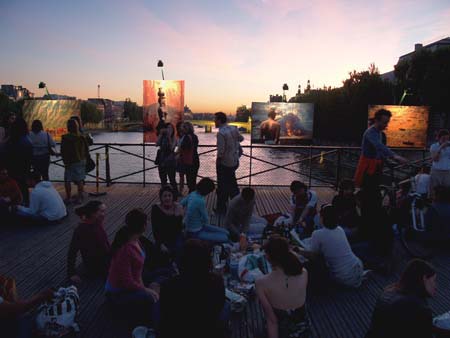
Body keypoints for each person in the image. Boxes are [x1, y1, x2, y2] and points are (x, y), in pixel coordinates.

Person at [158, 239, 228, 338]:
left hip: (178, 331)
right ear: (207, 261)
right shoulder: (216, 282)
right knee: (227, 306)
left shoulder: (169, 285)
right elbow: (219, 306)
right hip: (208, 330)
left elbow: (165, 314)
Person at [105, 209, 159, 325]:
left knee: (161, 277)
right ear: (144, 226)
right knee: (152, 298)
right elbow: (126, 282)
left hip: (135, 281)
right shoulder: (125, 250)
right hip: (118, 294)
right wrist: (145, 290)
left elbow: (137, 271)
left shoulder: (136, 239)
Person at [366, 259, 436, 338]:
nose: (435, 286)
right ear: (424, 279)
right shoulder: (421, 309)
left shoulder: (387, 292)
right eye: (433, 281)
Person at [256, 236, 310, 338]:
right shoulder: (304, 273)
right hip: (304, 331)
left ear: (268, 257)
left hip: (283, 332)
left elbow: (272, 321)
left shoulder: (261, 283)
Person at [299, 205, 364, 288]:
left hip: (343, 276)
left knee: (312, 263)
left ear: (322, 218)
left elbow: (313, 255)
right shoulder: (340, 229)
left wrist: (298, 250)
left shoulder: (318, 234)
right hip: (357, 267)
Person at [67, 201, 110, 283]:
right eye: (101, 211)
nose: (104, 214)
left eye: (104, 211)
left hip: (106, 258)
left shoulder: (97, 223)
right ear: (93, 213)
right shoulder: (81, 230)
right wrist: (71, 273)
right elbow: (72, 251)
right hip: (98, 266)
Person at [180, 177, 230, 244]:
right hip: (195, 232)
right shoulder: (200, 201)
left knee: (226, 233)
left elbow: (181, 204)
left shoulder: (193, 194)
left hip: (198, 226)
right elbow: (205, 218)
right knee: (225, 237)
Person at [214, 111, 244, 214]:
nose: (214, 121)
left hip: (224, 163)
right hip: (234, 161)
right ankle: (237, 205)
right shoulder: (233, 128)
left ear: (219, 120)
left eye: (215, 119)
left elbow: (221, 151)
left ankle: (222, 208)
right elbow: (241, 138)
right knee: (232, 184)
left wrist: (218, 161)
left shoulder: (221, 133)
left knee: (222, 186)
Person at [151, 185, 184, 261]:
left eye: (169, 195)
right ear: (161, 198)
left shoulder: (177, 207)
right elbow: (155, 229)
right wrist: (160, 243)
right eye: (165, 196)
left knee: (179, 250)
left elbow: (178, 228)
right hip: (162, 237)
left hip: (175, 236)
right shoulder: (156, 208)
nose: (167, 198)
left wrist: (178, 214)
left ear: (173, 197)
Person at [5, 117, 32, 205]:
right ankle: (25, 205)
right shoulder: (27, 140)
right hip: (24, 170)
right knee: (24, 189)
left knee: (14, 190)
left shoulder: (10, 141)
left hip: (12, 170)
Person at [61, 119, 88, 204]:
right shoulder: (81, 137)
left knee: (67, 180)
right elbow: (86, 148)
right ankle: (79, 197)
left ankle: (68, 197)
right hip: (81, 160)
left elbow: (63, 150)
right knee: (80, 179)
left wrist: (65, 160)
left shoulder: (65, 138)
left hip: (70, 161)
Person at [156, 122, 178, 196]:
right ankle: (164, 194)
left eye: (170, 128)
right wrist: (160, 134)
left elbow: (172, 147)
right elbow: (157, 144)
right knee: (163, 179)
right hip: (161, 160)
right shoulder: (162, 136)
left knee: (172, 179)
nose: (169, 130)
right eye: (167, 128)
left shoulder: (174, 138)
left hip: (170, 161)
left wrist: (168, 137)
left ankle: (174, 194)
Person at [180, 122, 200, 193]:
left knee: (190, 181)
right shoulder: (195, 136)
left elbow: (182, 148)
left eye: (183, 127)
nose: (181, 129)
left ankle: (191, 196)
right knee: (193, 180)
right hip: (195, 159)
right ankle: (193, 195)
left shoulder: (186, 137)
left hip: (189, 160)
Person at [429, 129, 450, 196]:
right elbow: (435, 159)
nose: (445, 140)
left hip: (447, 171)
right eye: (444, 138)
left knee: (447, 190)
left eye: (447, 138)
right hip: (436, 170)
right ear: (439, 138)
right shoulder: (434, 146)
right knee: (434, 190)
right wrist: (441, 147)